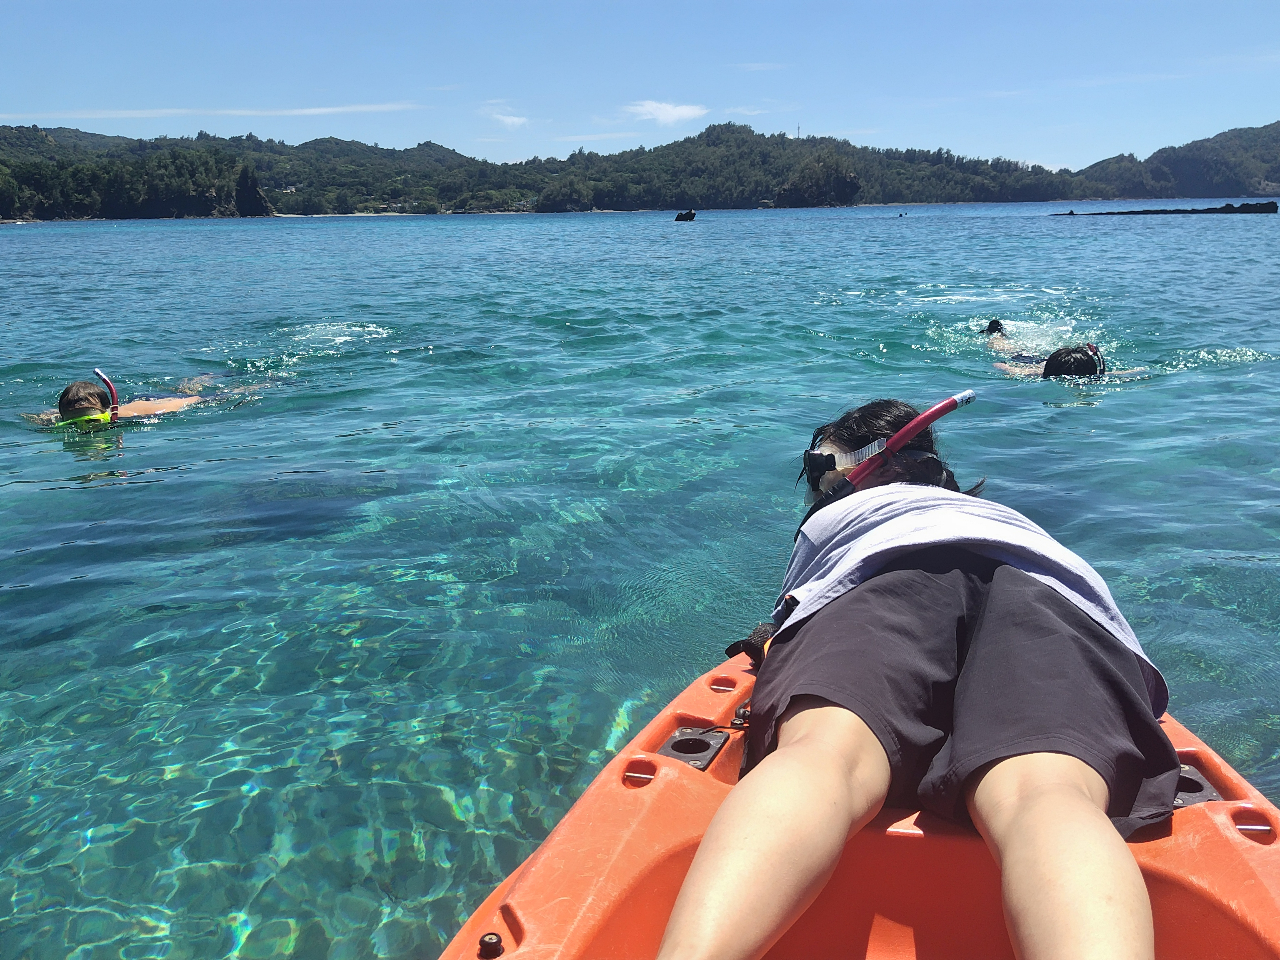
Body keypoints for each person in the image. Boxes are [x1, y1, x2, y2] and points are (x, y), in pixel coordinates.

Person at [656, 398, 1179, 960]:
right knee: (1045, 793)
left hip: (883, 575)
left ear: (854, 472)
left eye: (817, 476)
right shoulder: (1008, 520)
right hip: (1053, 594)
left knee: (825, 755)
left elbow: (796, 614)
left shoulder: (836, 521)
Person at [26, 371, 253, 430]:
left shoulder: (135, 413)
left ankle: (202, 379)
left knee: (188, 391)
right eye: (73, 425)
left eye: (93, 423)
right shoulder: (58, 418)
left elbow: (189, 402)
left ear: (110, 414)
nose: (84, 430)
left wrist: (229, 396)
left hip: (152, 401)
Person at [994, 343, 1140, 378]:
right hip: (1035, 362)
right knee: (1009, 349)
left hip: (1050, 363)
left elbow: (998, 365)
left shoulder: (1039, 374)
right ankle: (997, 335)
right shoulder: (1035, 372)